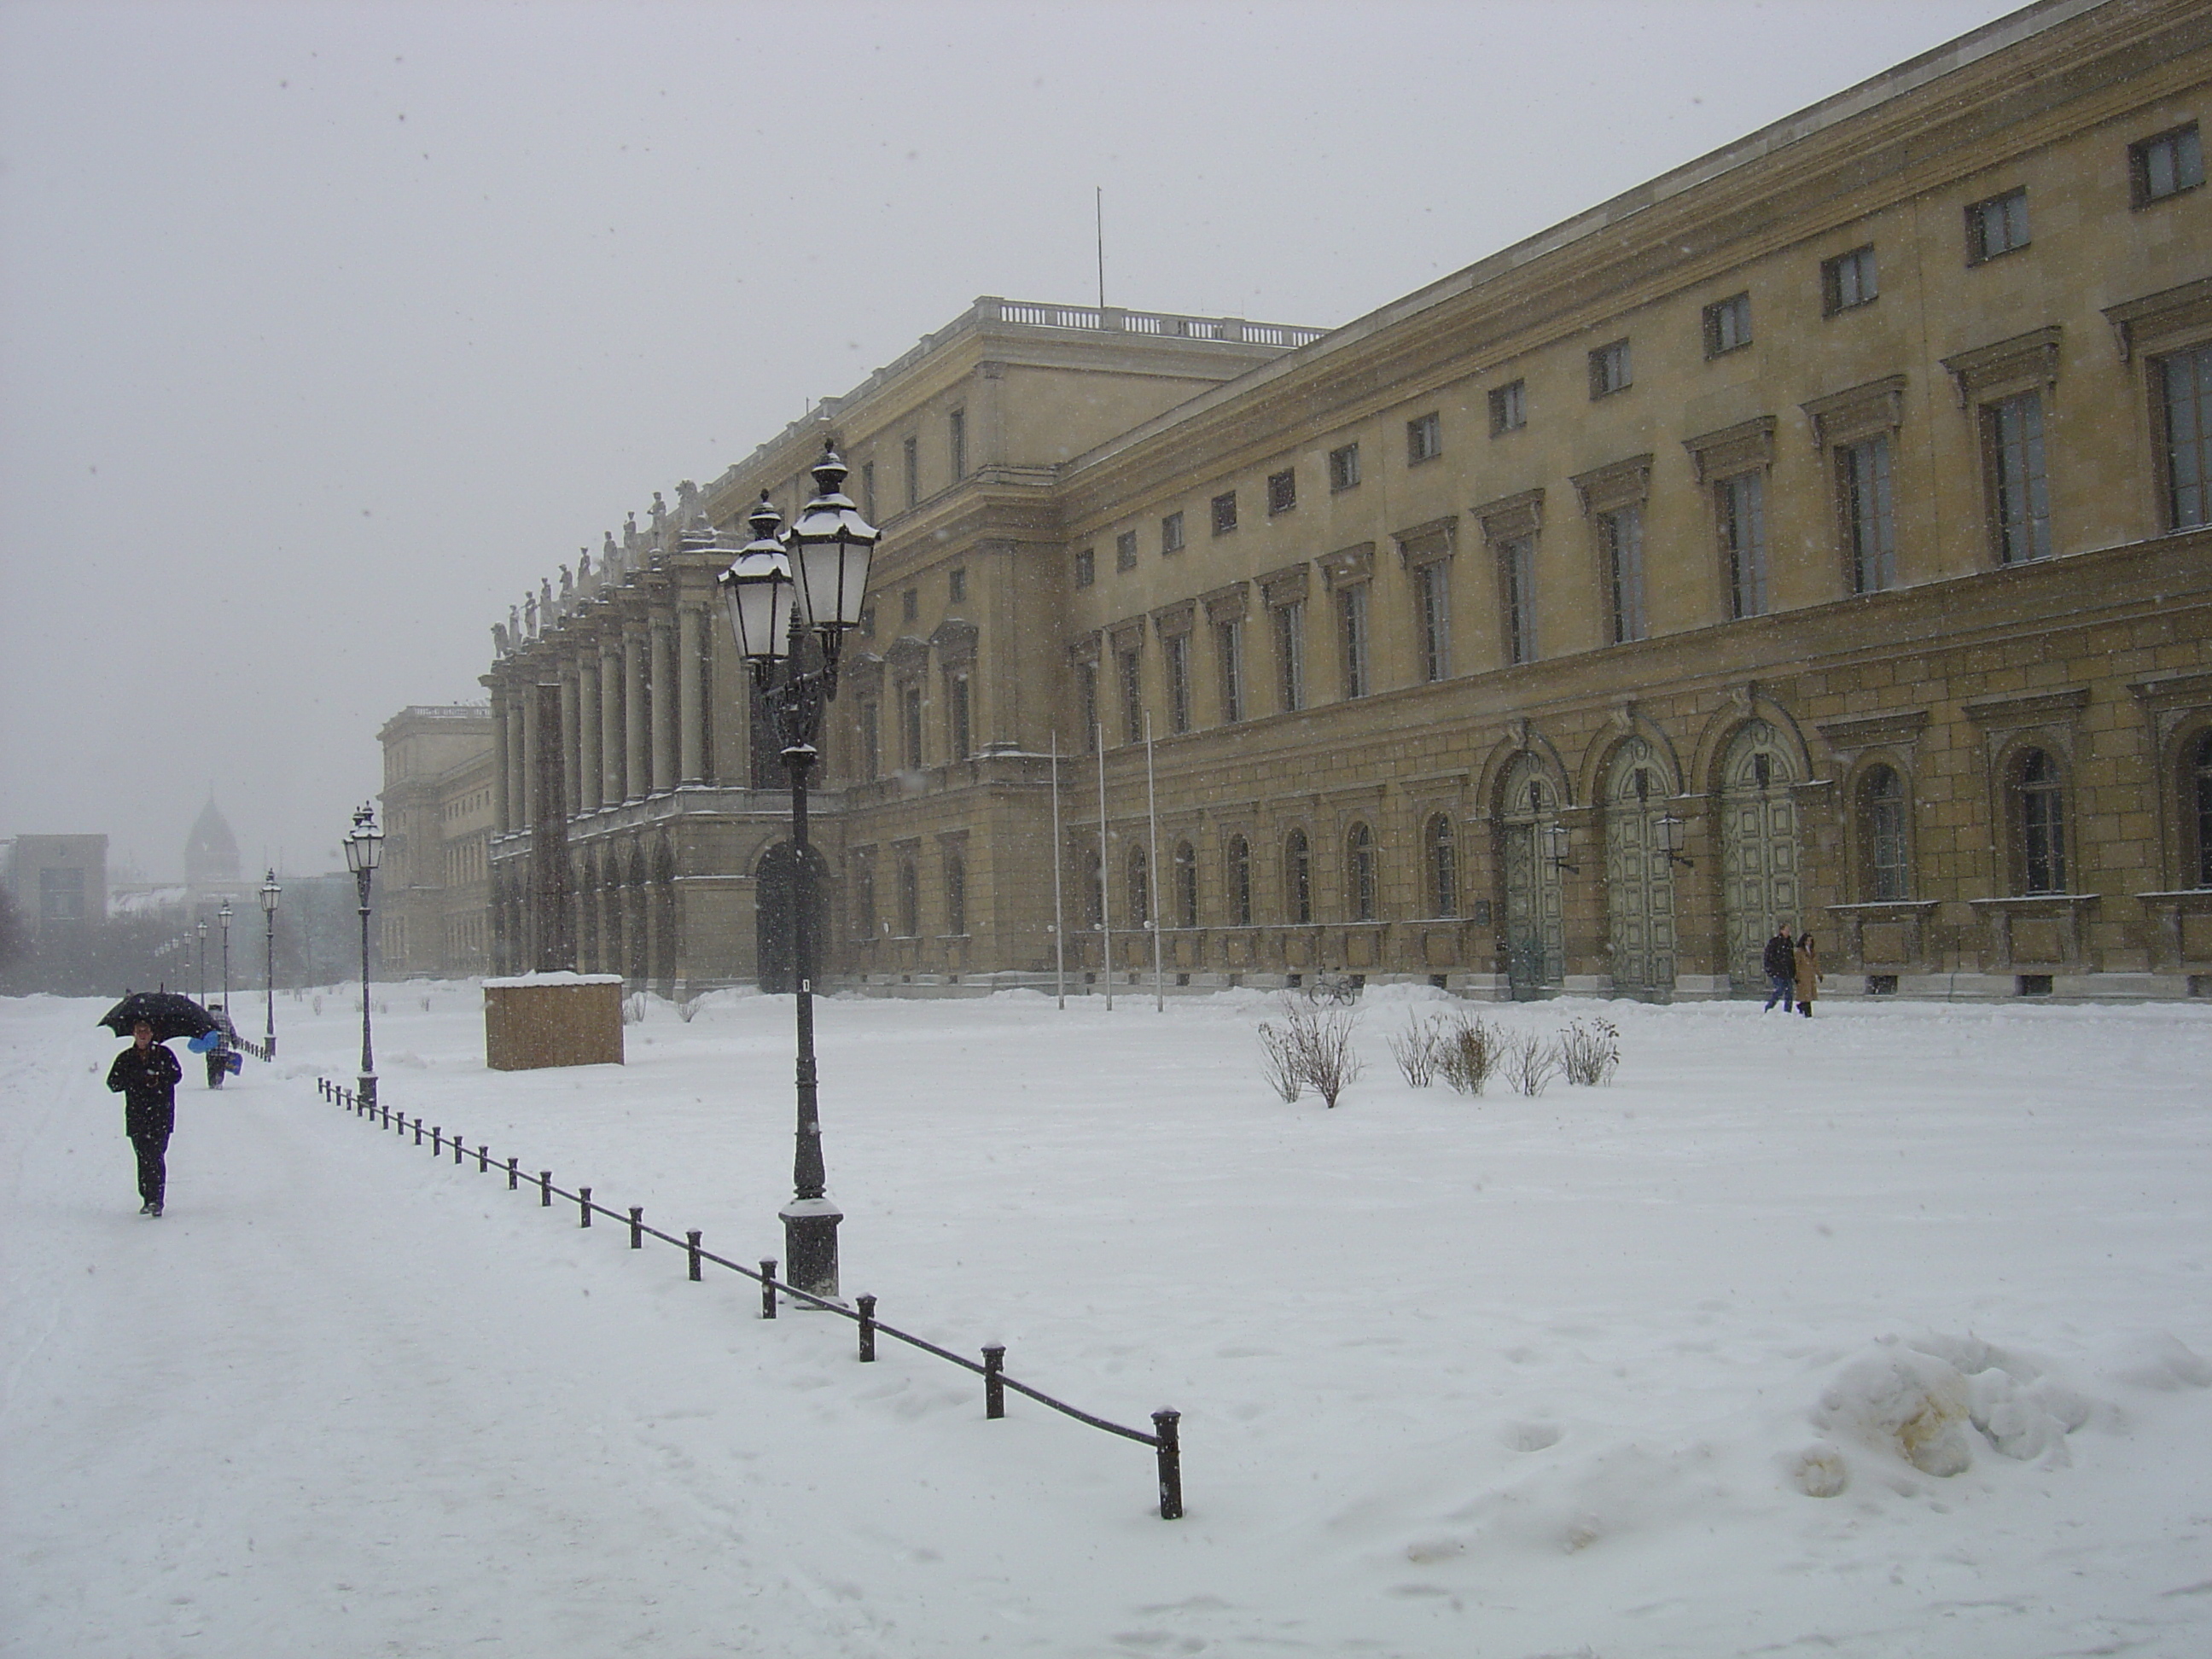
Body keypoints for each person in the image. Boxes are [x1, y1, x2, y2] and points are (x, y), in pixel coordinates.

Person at [106, 1019, 181, 1216]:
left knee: (156, 1155)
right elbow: (113, 1083)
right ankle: (147, 1197)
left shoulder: (164, 1054)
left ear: (152, 1033)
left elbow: (176, 1076)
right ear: (133, 1033)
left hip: (161, 1114)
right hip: (137, 1116)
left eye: (146, 1030)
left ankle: (157, 1199)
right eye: (139, 1031)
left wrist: (158, 1077)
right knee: (143, 1157)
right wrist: (136, 1078)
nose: (142, 1034)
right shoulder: (126, 1058)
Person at [1761, 922, 1796, 1012]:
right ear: (1781, 931)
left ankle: (1787, 1011)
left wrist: (1793, 972)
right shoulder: (1774, 942)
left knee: (1789, 992)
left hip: (1787, 971)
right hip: (1777, 971)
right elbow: (1768, 957)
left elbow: (1791, 958)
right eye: (1786, 930)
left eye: (1789, 930)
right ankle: (1769, 1007)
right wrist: (1770, 969)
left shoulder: (1789, 943)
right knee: (1780, 990)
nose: (1788, 932)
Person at [1794, 932, 1823, 1018]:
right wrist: (1797, 975)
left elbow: (1816, 964)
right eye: (1807, 941)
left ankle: (1803, 1008)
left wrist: (1819, 974)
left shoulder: (1812, 952)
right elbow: (1796, 964)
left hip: (1810, 976)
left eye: (1810, 941)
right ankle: (1807, 1012)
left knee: (1808, 995)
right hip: (1803, 976)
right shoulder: (1799, 952)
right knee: (1806, 996)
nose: (1809, 943)